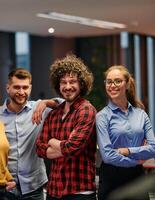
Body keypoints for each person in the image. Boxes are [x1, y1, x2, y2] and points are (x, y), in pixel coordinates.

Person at [36, 54, 97, 200]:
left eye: (72, 82)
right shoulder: (54, 114)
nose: (68, 86)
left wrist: (52, 142)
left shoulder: (86, 110)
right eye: (63, 82)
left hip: (80, 192)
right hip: (54, 191)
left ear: (81, 84)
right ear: (58, 85)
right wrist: (64, 147)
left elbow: (72, 148)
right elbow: (39, 149)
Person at [96, 65, 155, 200]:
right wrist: (136, 160)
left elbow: (153, 149)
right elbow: (107, 155)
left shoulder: (141, 114)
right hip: (112, 179)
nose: (112, 85)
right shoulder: (102, 116)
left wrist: (127, 150)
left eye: (117, 81)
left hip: (137, 179)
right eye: (109, 81)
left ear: (127, 84)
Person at [0, 68, 60, 200]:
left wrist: (46, 102)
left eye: (25, 87)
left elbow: (66, 105)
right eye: (16, 87)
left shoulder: (39, 108)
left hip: (34, 187)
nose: (21, 92)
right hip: (4, 187)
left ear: (30, 88)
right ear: (8, 88)